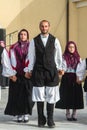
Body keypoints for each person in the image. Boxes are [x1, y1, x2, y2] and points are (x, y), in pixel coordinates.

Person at [26, 20, 62, 127]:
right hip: (38, 71)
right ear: (39, 27)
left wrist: (60, 67)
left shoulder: (55, 40)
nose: (44, 28)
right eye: (42, 26)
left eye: (46, 26)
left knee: (51, 94)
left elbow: (58, 55)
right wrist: (29, 69)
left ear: (49, 27)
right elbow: (31, 56)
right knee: (39, 95)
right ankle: (41, 119)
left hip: (51, 71)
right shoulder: (34, 41)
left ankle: (50, 119)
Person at [2, 29, 33, 123]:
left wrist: (30, 71)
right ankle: (19, 114)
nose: (23, 36)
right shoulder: (13, 47)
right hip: (16, 74)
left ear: (27, 36)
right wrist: (11, 74)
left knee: (28, 95)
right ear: (19, 36)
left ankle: (26, 113)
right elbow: (8, 61)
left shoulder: (32, 47)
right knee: (17, 95)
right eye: (21, 34)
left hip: (27, 74)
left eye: (25, 34)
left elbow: (33, 59)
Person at [55, 41, 84, 121]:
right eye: (70, 47)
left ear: (75, 48)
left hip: (75, 77)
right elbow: (61, 66)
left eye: (73, 47)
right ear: (67, 48)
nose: (71, 48)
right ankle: (68, 113)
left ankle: (74, 114)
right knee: (67, 96)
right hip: (66, 77)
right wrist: (61, 71)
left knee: (76, 96)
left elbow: (80, 68)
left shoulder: (78, 57)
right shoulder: (64, 57)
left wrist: (80, 78)